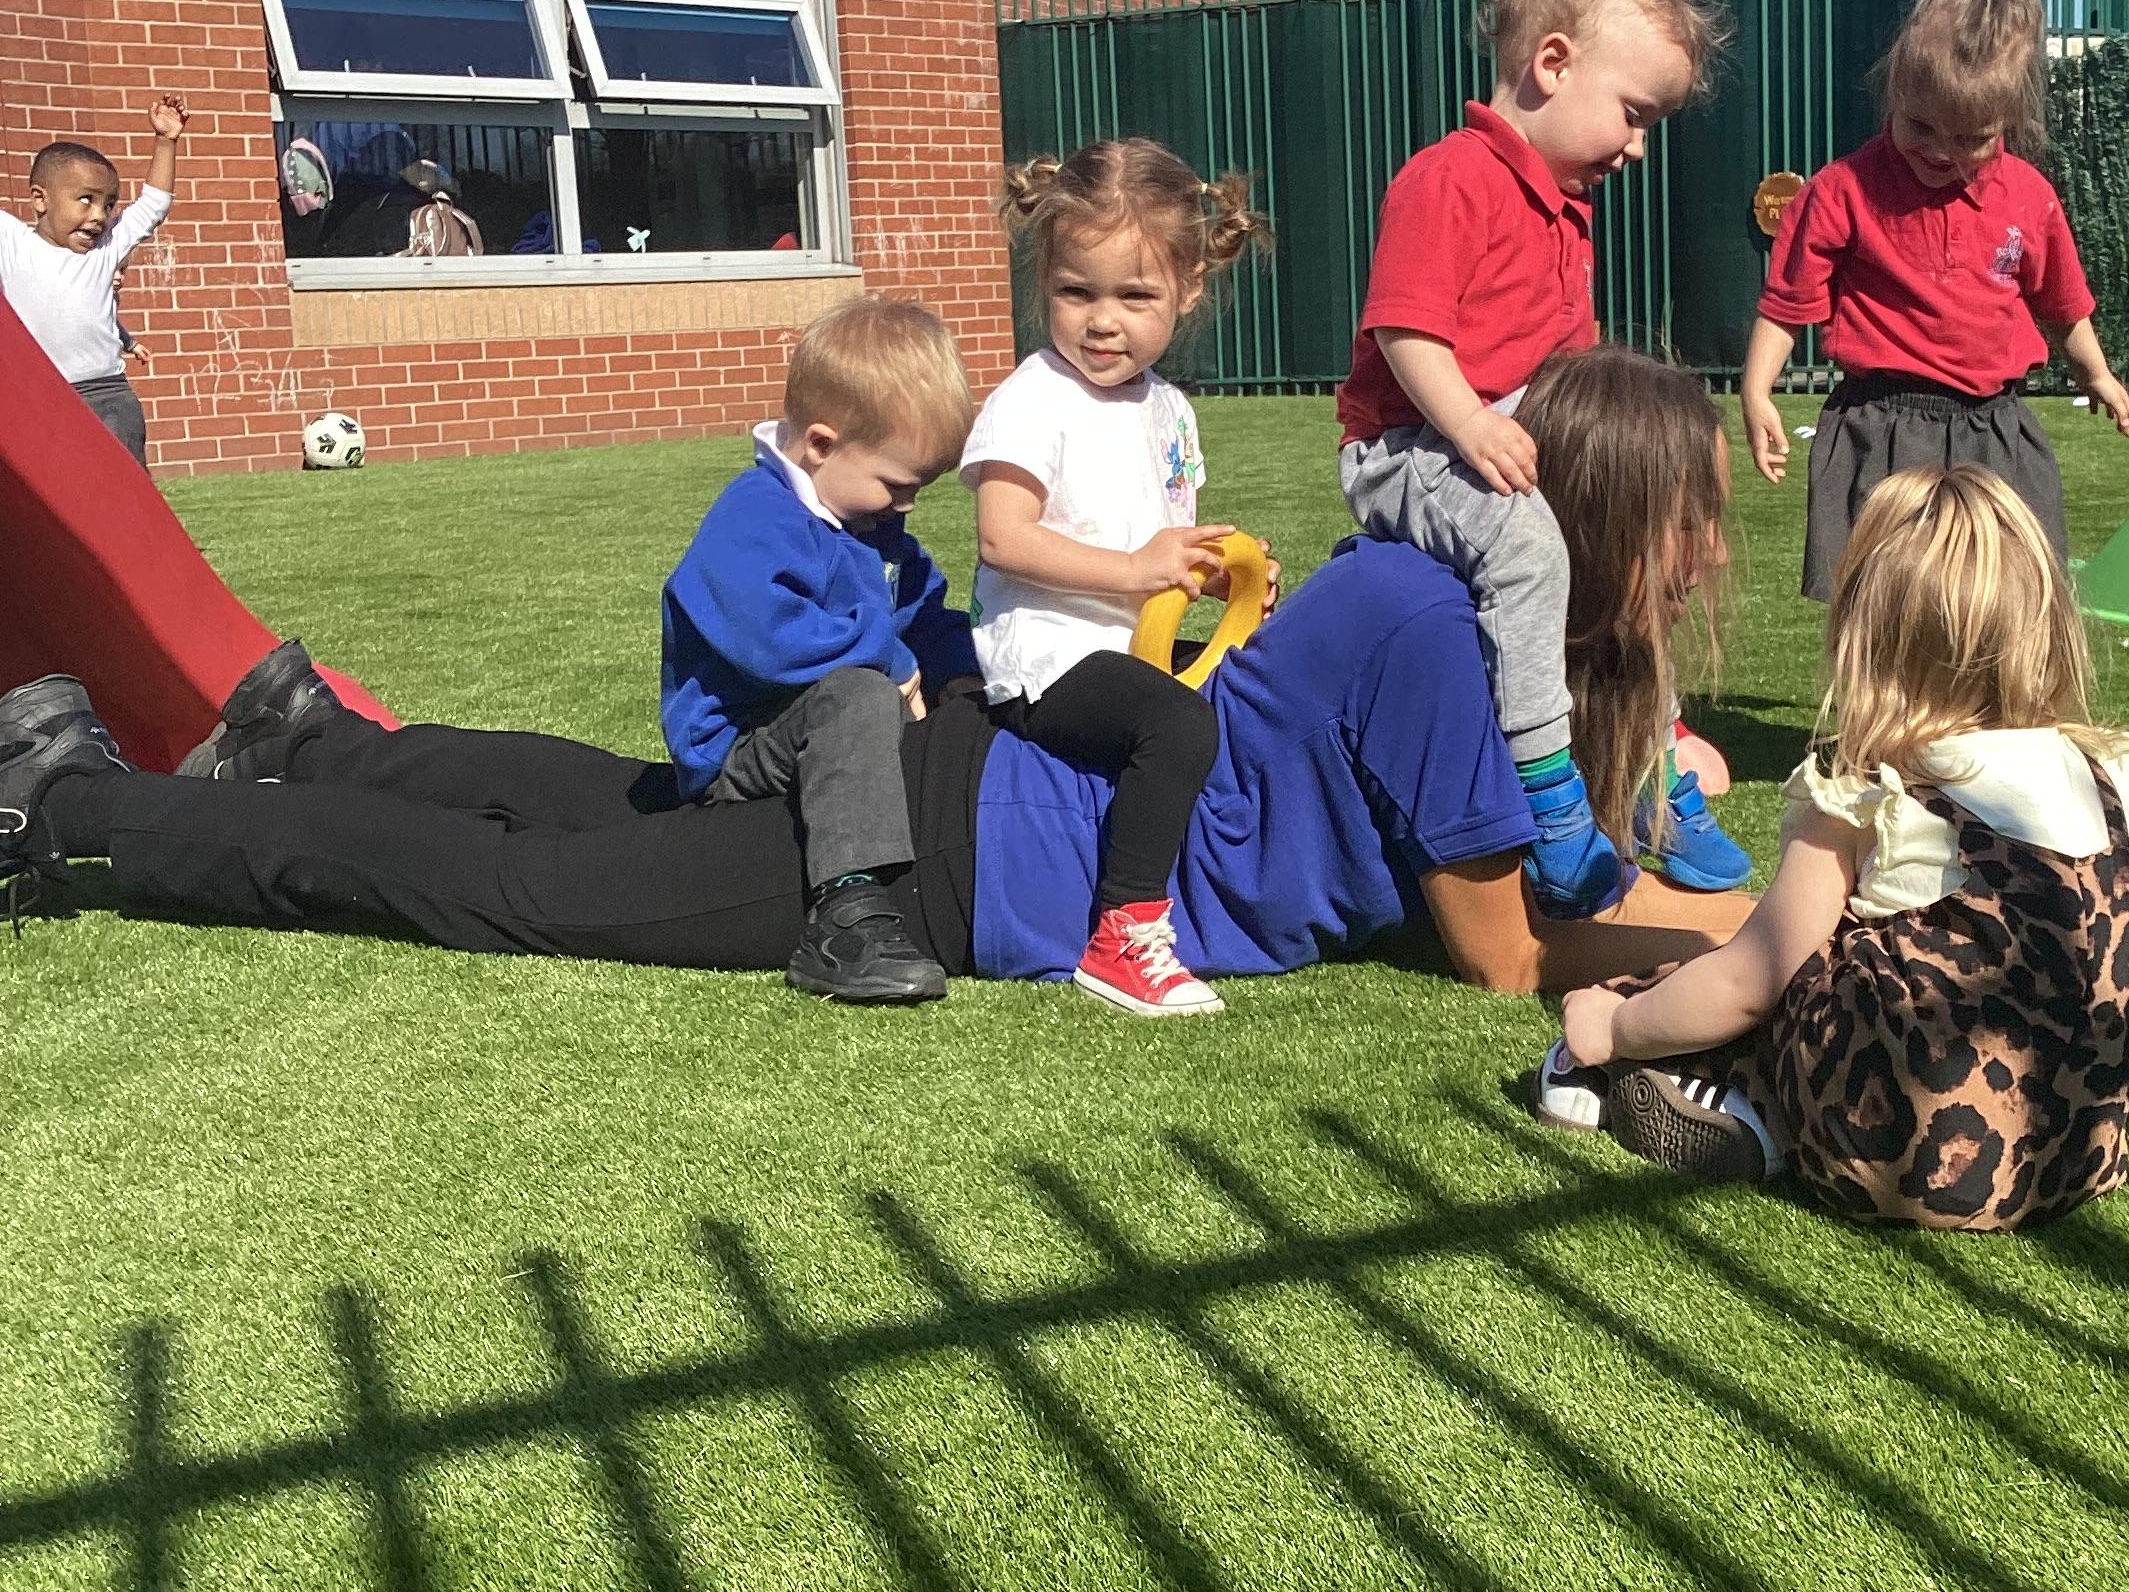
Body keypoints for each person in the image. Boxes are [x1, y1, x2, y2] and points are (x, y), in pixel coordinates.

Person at [0, 345, 1752, 1003]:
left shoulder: (1442, 615)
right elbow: (1505, 951)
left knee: (603, 801)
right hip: (956, 846)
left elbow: (1558, 861)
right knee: (528, 890)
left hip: (964, 783)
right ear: (1592, 519)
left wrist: (1687, 834)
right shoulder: (1434, 631)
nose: (1703, 557)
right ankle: (78, 809)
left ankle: (298, 736)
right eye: (1687, 521)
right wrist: (1758, 946)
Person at [1544, 465, 2129, 1231]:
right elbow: (2114, 963)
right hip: (2077, 1152)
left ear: (1866, 636)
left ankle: (1736, 1104)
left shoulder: (1881, 790)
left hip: (1899, 1147)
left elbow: (1753, 978)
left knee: (1783, 963)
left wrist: (1616, 1026)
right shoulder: (2105, 776)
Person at [1336, 0, 1750, 913]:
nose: (1638, 147)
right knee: (1525, 549)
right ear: (1553, 63)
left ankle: (1653, 762)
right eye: (1634, 114)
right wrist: (1470, 426)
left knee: (1621, 544)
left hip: (1497, 433)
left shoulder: (1565, 213)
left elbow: (1574, 373)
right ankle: (1552, 797)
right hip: (1408, 446)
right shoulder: (1449, 179)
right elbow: (1405, 330)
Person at [964, 139, 1268, 1019]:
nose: (1103, 321)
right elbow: (1002, 538)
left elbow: (1163, 551)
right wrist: (1137, 569)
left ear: (1188, 291)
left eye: (1135, 297)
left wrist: (1223, 576)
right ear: (1044, 282)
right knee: (1176, 723)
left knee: (1254, 681)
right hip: (1049, 658)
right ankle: (1122, 936)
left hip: (1130, 642)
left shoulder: (1168, 409)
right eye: (1077, 292)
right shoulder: (1034, 399)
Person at [1740, 0, 2129, 602]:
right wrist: (1757, 390)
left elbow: (2062, 303)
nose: (1940, 152)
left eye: (1970, 138)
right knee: (1884, 607)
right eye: (1921, 126)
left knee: (2008, 603)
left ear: (2008, 122)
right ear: (1896, 90)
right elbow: (1786, 304)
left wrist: (2095, 373)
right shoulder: (1842, 191)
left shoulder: (2029, 198)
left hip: (1994, 428)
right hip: (1881, 427)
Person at [660, 298, 980, 1005]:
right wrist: (890, 660)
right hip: (739, 745)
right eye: (897, 486)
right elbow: (767, 637)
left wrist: (963, 673)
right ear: (821, 445)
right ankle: (845, 918)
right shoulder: (755, 517)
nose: (906, 506)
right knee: (859, 694)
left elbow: (922, 609)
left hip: (816, 728)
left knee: (909, 694)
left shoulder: (866, 522)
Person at [0, 97, 186, 463]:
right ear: (40, 199)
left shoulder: (105, 249)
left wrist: (166, 141)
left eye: (109, 204)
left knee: (124, 487)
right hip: (37, 398)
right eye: (86, 199)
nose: (99, 215)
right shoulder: (13, 243)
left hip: (107, 396)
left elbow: (154, 205)